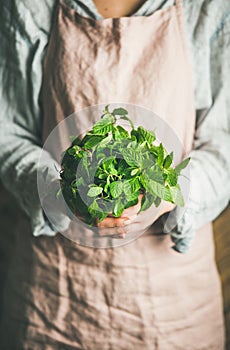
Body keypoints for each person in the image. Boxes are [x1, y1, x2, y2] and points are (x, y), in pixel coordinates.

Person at [0, 0, 229, 348]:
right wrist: (60, 190)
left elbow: (224, 143)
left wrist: (170, 190)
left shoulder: (210, 6)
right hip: (54, 297)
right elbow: (7, 133)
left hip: (174, 306)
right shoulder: (31, 5)